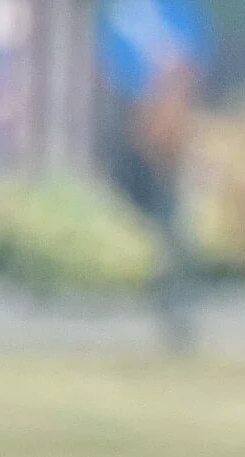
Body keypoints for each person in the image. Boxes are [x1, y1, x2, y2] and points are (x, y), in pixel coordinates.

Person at [94, 0, 207, 348]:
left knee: (168, 218)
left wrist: (169, 111)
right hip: (125, 118)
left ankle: (173, 311)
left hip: (163, 126)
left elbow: (192, 60)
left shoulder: (177, 9)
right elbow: (110, 62)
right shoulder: (121, 11)